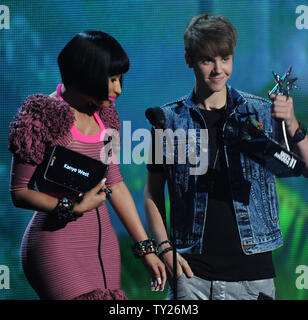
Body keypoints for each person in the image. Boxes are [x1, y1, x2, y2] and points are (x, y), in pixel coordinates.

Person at [144, 14, 308, 300]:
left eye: (225, 58)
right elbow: (152, 192)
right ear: (189, 59)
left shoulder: (261, 112)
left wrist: (292, 124)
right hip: (191, 277)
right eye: (208, 60)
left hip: (251, 279)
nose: (218, 69)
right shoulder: (167, 121)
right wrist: (165, 249)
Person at [8, 30, 166, 300]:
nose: (119, 89)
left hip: (102, 246)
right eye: (112, 79)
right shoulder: (41, 116)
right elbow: (19, 192)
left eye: (120, 79)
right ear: (86, 74)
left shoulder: (105, 115)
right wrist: (73, 207)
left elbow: (114, 182)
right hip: (54, 244)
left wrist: (146, 249)